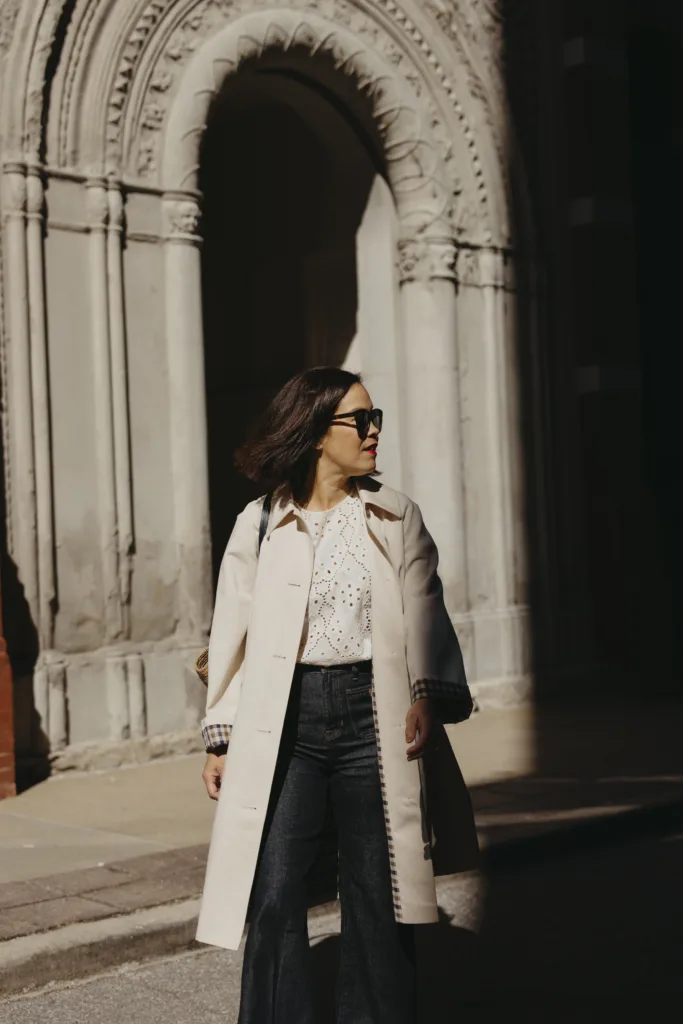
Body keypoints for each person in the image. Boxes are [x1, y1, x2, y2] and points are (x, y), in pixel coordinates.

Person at [198, 366, 476, 1024]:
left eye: (376, 418)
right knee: (272, 892)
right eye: (361, 420)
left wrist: (425, 695)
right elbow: (229, 636)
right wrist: (219, 736)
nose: (374, 431)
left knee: (377, 892)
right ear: (317, 432)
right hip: (283, 722)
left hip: (371, 716)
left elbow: (425, 612)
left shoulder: (392, 514)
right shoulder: (260, 522)